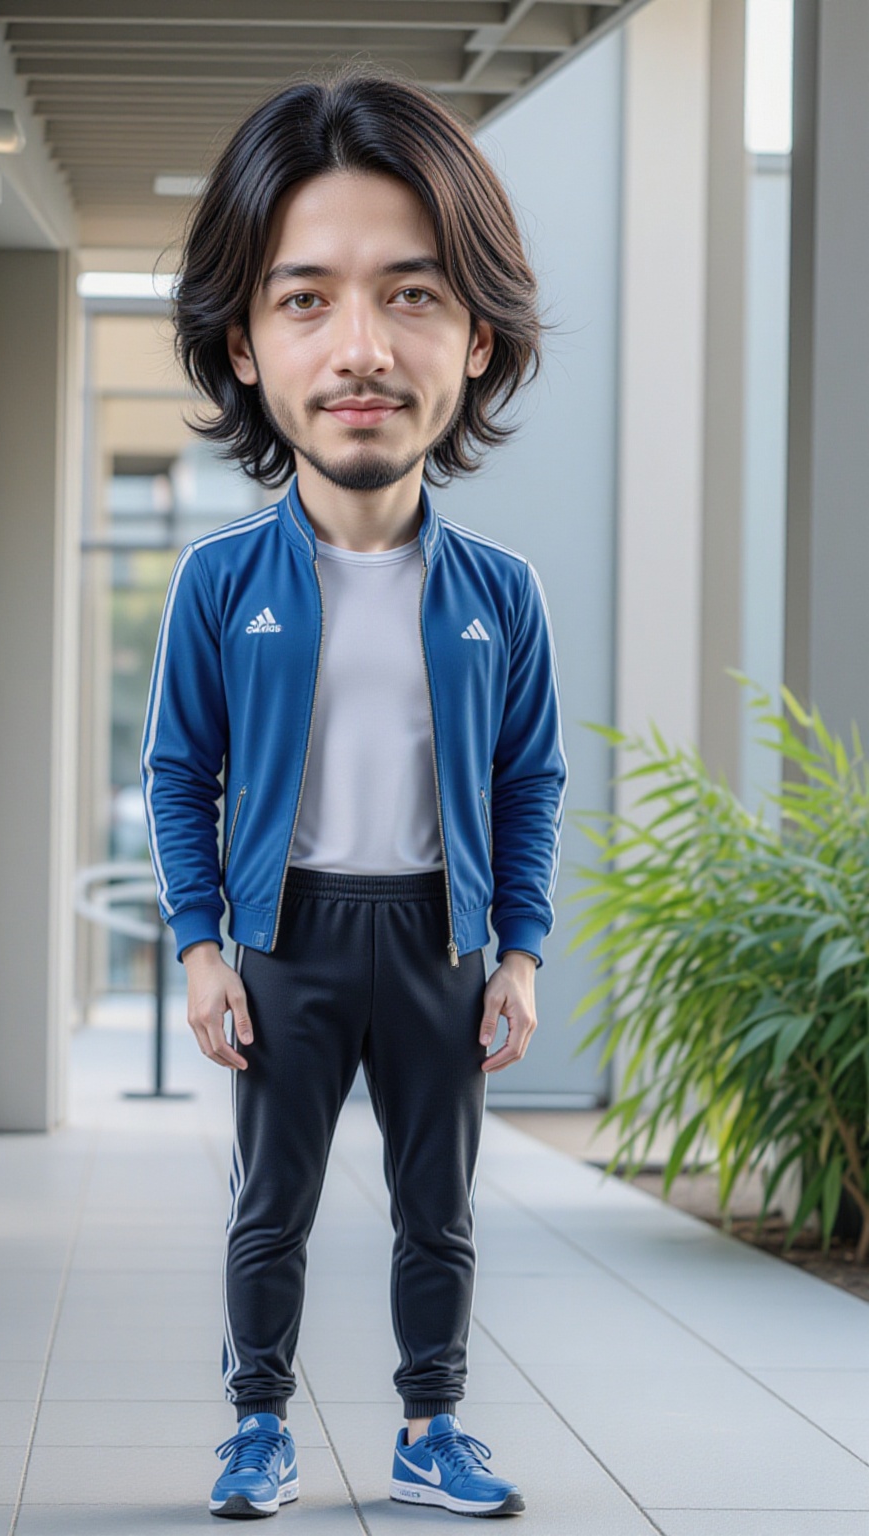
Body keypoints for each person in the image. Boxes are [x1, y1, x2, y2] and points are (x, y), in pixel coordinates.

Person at [142, 64, 568, 1521]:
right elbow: (177, 770)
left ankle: (427, 1429)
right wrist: (202, 947)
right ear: (247, 346)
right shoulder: (220, 585)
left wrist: (518, 949)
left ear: (480, 336)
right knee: (276, 1206)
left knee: (437, 1212)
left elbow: (528, 779)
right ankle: (256, 1426)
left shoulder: (500, 597)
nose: (362, 347)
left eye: (415, 294)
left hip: (440, 940)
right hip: (289, 937)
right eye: (306, 297)